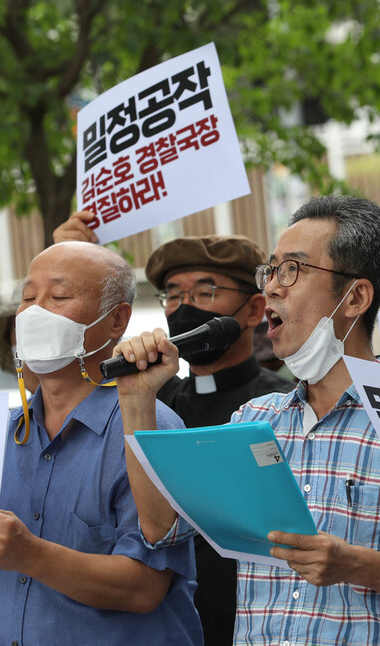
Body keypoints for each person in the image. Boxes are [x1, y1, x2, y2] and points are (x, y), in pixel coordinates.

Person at [115, 195, 380, 645]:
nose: (273, 289)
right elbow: (161, 528)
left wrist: (355, 564)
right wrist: (136, 401)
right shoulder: (253, 420)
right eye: (271, 271)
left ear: (356, 296)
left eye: (293, 270)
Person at [0, 242, 202, 645]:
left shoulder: (152, 428)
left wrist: (30, 554)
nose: (35, 311)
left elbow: (144, 587)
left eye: (59, 296)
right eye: (28, 297)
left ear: (117, 320)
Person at [141, 235, 295, 644]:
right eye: (172, 295)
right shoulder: (153, 403)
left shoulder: (282, 406)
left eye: (205, 291)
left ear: (254, 309)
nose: (183, 307)